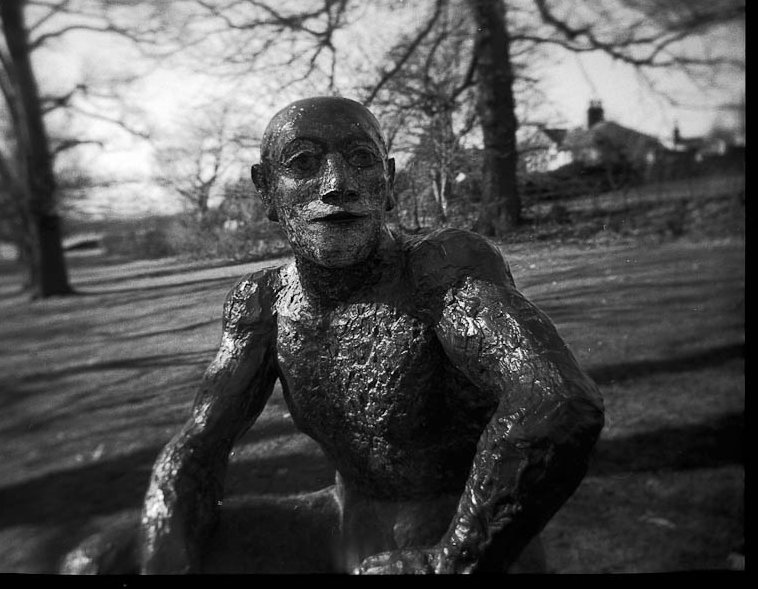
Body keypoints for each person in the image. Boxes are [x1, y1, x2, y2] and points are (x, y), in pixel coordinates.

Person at [132, 96, 605, 574]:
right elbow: (199, 443)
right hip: (343, 520)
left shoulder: (441, 270)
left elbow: (556, 401)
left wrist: (449, 564)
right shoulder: (262, 302)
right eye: (303, 163)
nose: (338, 183)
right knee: (106, 557)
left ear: (389, 181)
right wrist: (163, 556)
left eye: (361, 158)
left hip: (462, 532)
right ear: (267, 190)